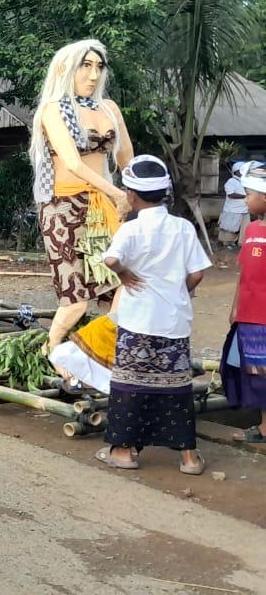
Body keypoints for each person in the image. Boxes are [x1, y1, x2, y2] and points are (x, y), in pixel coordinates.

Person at [97, 155, 211, 474]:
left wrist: (124, 275)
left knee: (130, 386)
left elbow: (110, 260)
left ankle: (123, 451)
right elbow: (198, 273)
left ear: (131, 196)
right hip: (173, 321)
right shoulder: (183, 227)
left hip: (137, 322)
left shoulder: (130, 229)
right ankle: (188, 458)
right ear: (165, 194)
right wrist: (180, 291)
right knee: (176, 388)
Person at [28, 39, 135, 377]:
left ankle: (94, 352)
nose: (92, 74)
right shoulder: (53, 109)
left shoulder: (109, 109)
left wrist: (142, 196)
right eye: (85, 66)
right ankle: (53, 352)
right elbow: (73, 163)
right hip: (64, 208)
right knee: (76, 300)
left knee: (126, 284)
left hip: (105, 205)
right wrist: (117, 194)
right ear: (66, 69)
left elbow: (127, 160)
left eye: (98, 66)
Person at [221, 162, 266, 443]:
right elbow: (244, 273)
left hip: (262, 317)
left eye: (249, 194)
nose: (245, 199)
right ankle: (262, 426)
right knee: (254, 374)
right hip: (247, 316)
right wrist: (235, 308)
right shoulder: (250, 230)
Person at [218, 161, 250, 248]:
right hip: (233, 210)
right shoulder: (231, 181)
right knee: (230, 229)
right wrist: (245, 196)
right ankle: (227, 243)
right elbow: (231, 194)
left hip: (244, 210)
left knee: (245, 228)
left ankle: (241, 244)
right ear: (237, 171)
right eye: (242, 170)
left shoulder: (245, 182)